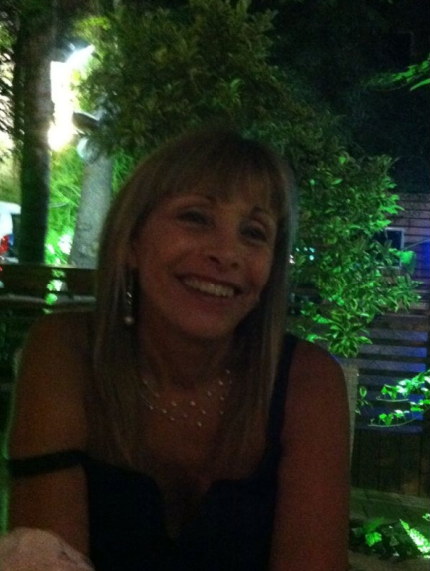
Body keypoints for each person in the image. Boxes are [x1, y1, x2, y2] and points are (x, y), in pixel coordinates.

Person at [0, 127, 350, 570]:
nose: (227, 254)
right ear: (132, 241)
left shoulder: (308, 382)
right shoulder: (67, 351)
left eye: (254, 233)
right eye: (196, 218)